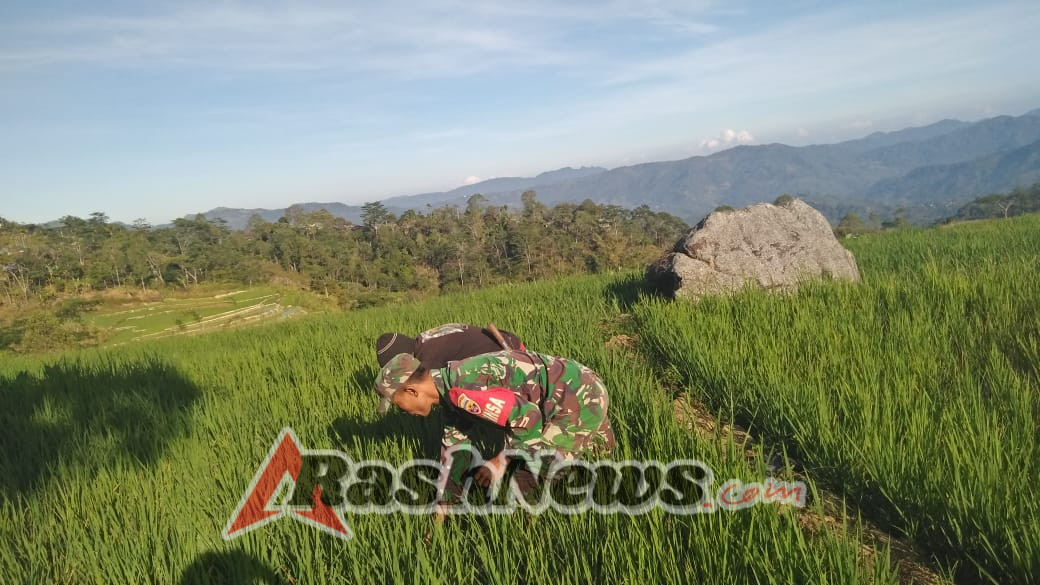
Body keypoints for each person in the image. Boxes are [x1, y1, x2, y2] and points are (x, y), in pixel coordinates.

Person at [373, 349, 616, 511]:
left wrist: (500, 461)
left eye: (399, 405)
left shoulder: (462, 392)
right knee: (601, 455)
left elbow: (528, 418)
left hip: (577, 396)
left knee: (526, 481)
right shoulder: (449, 392)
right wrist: (442, 511)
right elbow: (455, 455)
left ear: (411, 391)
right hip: (574, 383)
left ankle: (531, 544)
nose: (404, 412)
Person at [373, 323, 523, 414]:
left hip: (509, 364)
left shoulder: (429, 361)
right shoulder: (425, 340)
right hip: (507, 342)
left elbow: (449, 395)